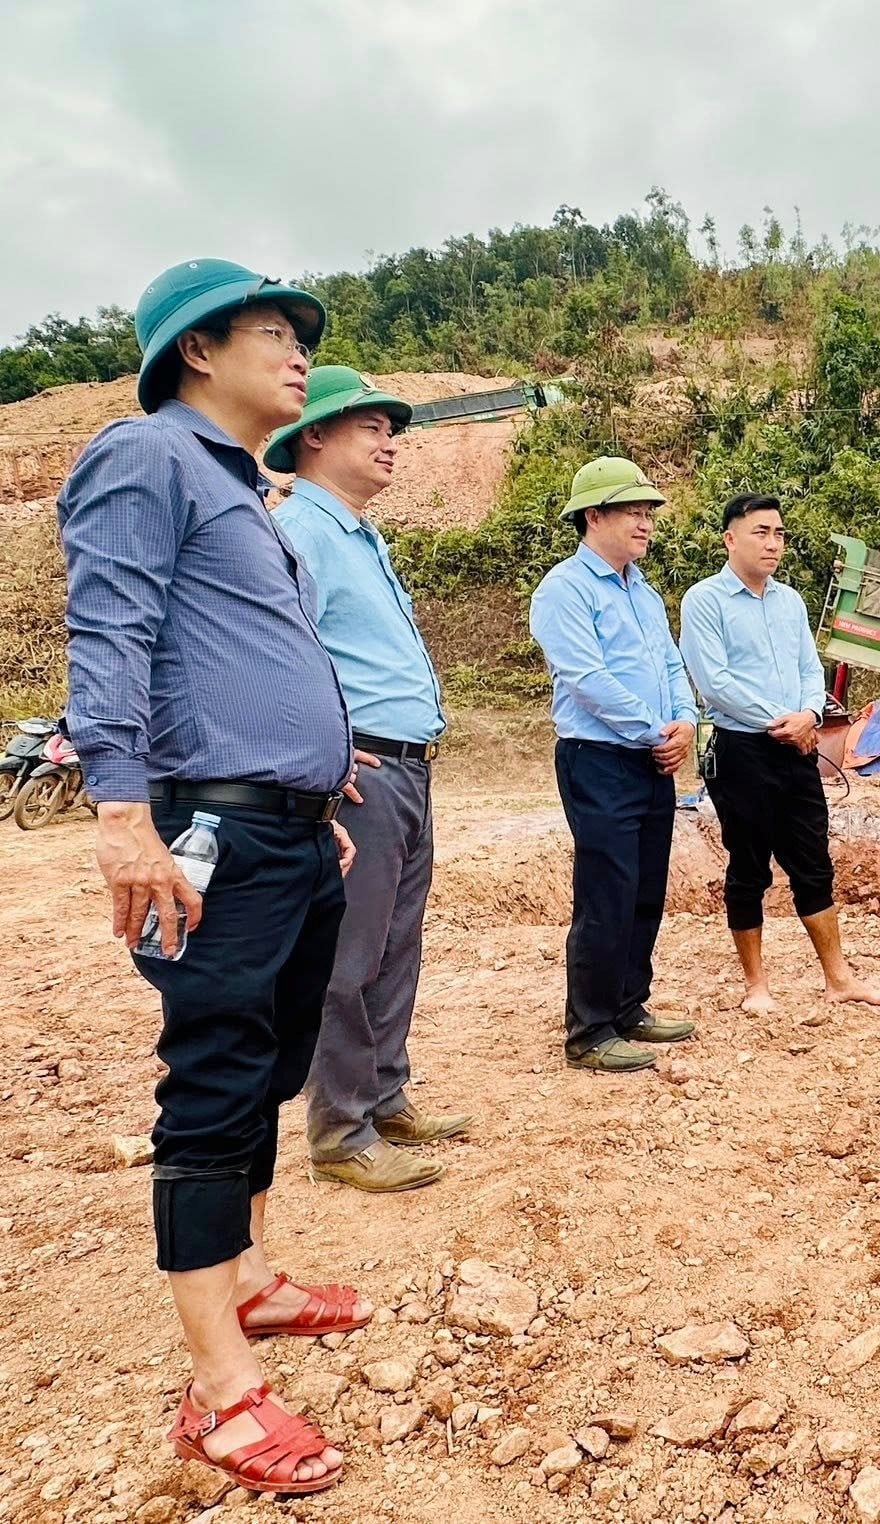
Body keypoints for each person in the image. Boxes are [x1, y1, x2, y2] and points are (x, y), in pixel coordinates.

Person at [59, 258, 363, 1494]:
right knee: (216, 1073)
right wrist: (121, 810)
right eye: (274, 332)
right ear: (197, 350)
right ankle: (220, 1392)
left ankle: (247, 1277)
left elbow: (250, 658)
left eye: (301, 336)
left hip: (287, 828)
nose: (299, 355)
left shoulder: (247, 490)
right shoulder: (146, 457)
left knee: (276, 1058)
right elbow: (112, 628)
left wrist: (313, 789)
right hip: (209, 833)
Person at [270, 367, 469, 1193]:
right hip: (363, 774)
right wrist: (327, 750)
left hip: (407, 769)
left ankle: (384, 1097)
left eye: (393, 431)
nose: (390, 444)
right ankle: (340, 1130)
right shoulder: (299, 532)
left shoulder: (358, 534)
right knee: (348, 955)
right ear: (314, 436)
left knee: (394, 947)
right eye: (372, 428)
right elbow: (279, 657)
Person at [680, 494, 880, 1013]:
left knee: (812, 861)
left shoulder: (790, 602)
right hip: (740, 748)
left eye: (779, 533)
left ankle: (839, 978)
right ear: (730, 539)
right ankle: (756, 986)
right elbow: (714, 682)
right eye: (761, 532)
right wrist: (784, 720)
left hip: (798, 744)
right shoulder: (704, 601)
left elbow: (808, 669)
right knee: (749, 864)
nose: (773, 543)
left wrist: (810, 715)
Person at [529, 456, 699, 1073]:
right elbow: (587, 679)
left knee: (645, 887)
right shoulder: (565, 590)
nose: (645, 522)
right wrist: (657, 731)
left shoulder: (643, 591)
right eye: (632, 511)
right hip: (599, 759)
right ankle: (590, 1029)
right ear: (593, 517)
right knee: (607, 891)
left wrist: (685, 722)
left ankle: (629, 1006)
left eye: (648, 511)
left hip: (652, 759)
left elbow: (671, 664)